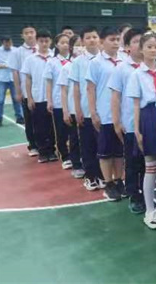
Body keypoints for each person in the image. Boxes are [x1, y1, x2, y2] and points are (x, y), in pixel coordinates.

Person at [127, 33, 156, 228]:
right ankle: (149, 210)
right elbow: (136, 105)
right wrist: (137, 129)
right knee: (151, 167)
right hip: (148, 118)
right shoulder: (137, 74)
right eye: (149, 47)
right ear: (141, 49)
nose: (153, 50)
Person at [109, 28, 146, 214]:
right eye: (136, 41)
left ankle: (149, 194)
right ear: (127, 47)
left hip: (150, 125)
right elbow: (115, 97)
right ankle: (134, 194)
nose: (140, 45)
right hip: (131, 124)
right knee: (133, 162)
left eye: (144, 41)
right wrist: (117, 122)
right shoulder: (122, 68)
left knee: (151, 162)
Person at [86, 27, 124, 202]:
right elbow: (91, 88)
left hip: (123, 115)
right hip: (105, 114)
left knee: (119, 152)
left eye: (117, 39)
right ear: (102, 42)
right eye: (112, 39)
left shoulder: (124, 60)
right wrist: (93, 112)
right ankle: (108, 183)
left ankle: (119, 180)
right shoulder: (96, 63)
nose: (116, 43)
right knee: (105, 152)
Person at [71, 26, 105, 191]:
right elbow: (76, 88)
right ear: (83, 41)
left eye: (94, 36)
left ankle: (103, 175)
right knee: (87, 145)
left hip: (104, 111)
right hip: (85, 110)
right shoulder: (78, 62)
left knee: (103, 145)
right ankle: (90, 176)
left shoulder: (105, 60)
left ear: (99, 39)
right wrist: (77, 109)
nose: (92, 40)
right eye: (88, 37)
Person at [21, 29, 56, 163]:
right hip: (38, 98)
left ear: (51, 42)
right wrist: (29, 97)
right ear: (37, 42)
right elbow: (28, 79)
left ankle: (52, 150)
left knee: (52, 127)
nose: (44, 43)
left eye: (47, 41)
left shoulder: (54, 57)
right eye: (41, 41)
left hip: (52, 99)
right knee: (39, 126)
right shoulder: (30, 59)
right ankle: (42, 151)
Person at [57, 35, 85, 179]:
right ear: (72, 48)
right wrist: (65, 111)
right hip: (74, 109)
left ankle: (87, 162)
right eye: (78, 45)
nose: (81, 48)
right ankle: (76, 164)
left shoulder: (90, 64)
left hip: (86, 109)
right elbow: (63, 91)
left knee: (87, 139)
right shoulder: (67, 67)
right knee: (74, 138)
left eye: (83, 45)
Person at [9, 24, 38, 154]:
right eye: (26, 33)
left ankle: (47, 143)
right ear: (22, 36)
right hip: (27, 91)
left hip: (42, 91)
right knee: (30, 119)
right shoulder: (18, 52)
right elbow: (15, 72)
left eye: (31, 32)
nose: (29, 35)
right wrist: (18, 91)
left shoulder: (42, 49)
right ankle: (32, 145)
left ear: (35, 33)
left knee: (44, 120)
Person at [44, 33, 72, 168]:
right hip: (58, 101)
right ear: (56, 45)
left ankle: (75, 155)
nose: (65, 45)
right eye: (62, 42)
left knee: (73, 131)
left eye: (68, 42)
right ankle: (65, 156)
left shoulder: (75, 61)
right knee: (61, 131)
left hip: (72, 102)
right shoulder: (52, 62)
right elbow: (49, 83)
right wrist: (49, 100)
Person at [0, 35, 23, 127]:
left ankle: (19, 117)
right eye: (6, 42)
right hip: (1, 79)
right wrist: (5, 65)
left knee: (17, 99)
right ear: (2, 42)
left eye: (9, 42)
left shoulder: (16, 50)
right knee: (0, 100)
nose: (8, 44)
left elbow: (19, 63)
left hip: (13, 78)